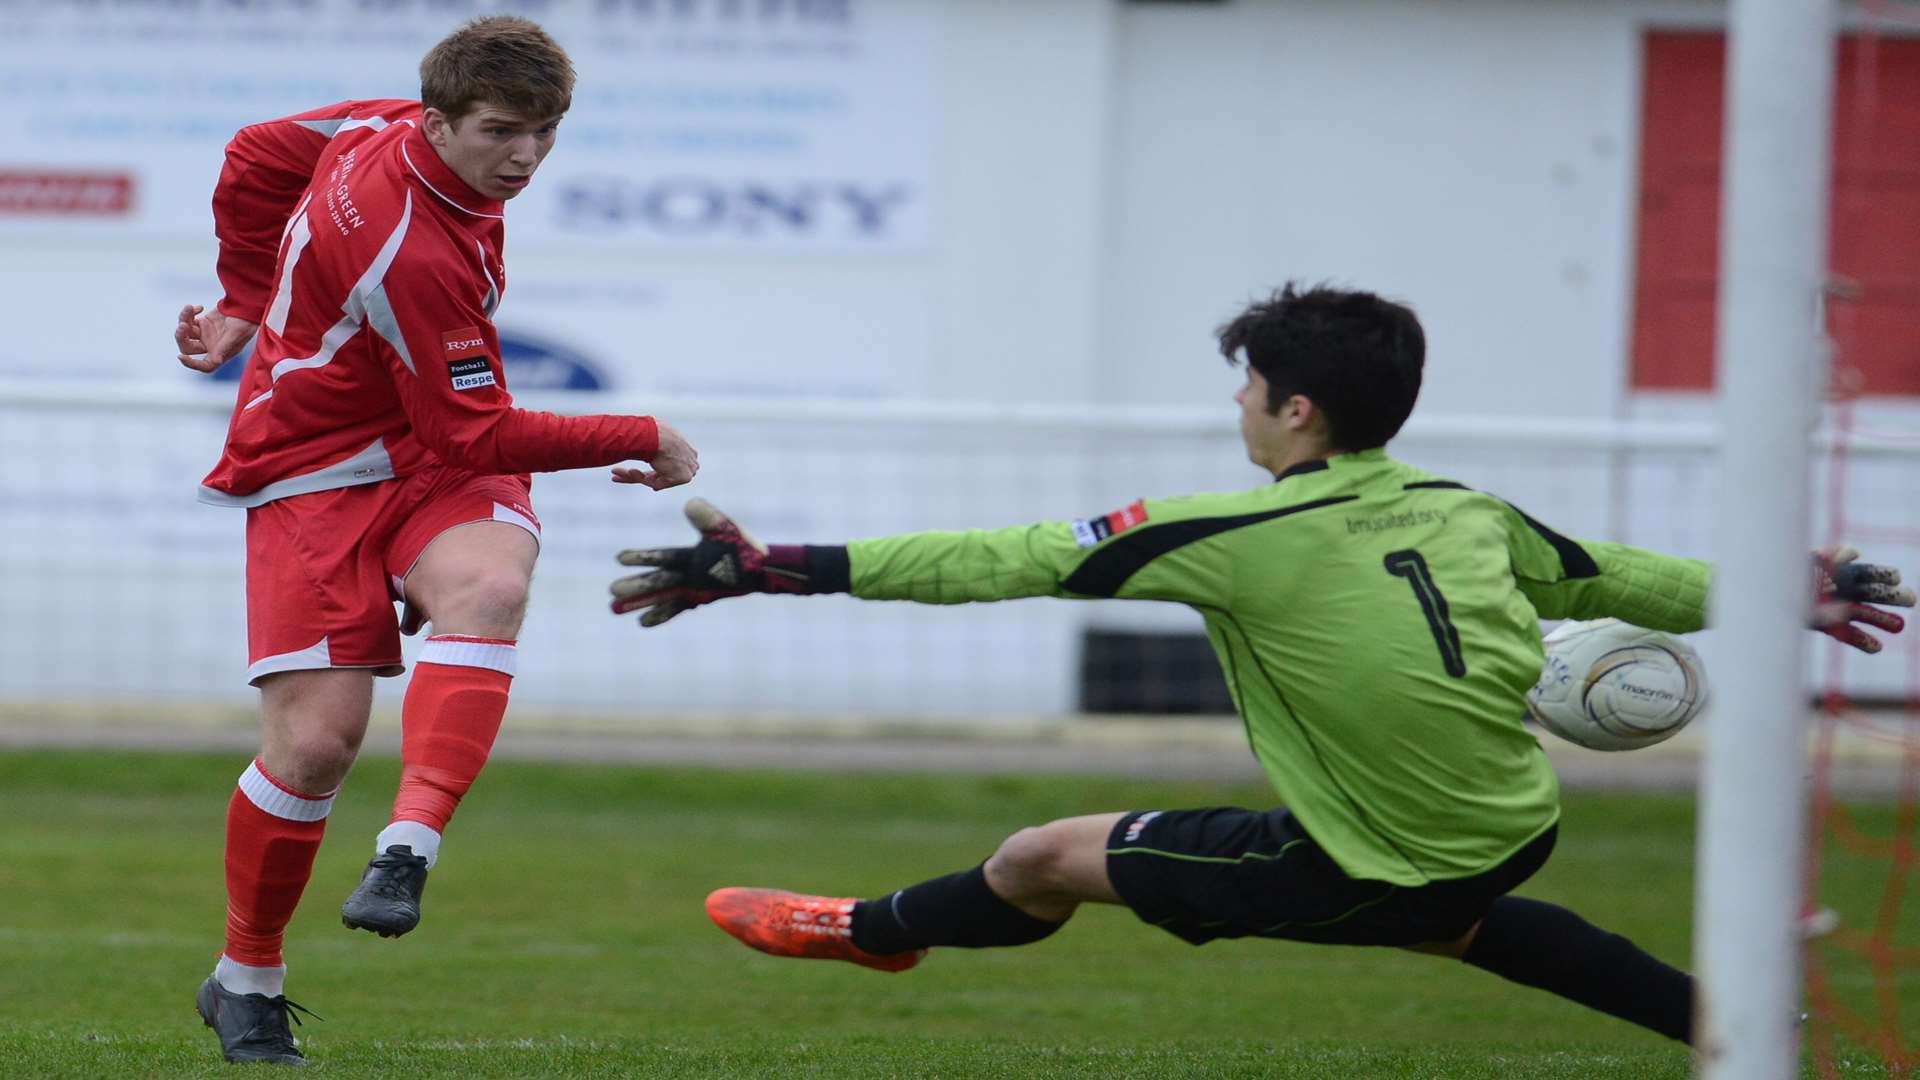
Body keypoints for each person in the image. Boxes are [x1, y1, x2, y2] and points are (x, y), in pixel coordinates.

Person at [607, 283, 1912, 1043]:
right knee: (1467, 925)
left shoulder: (1230, 532)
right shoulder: (1464, 507)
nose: (1235, 403)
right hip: (1508, 821)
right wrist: (1780, 591)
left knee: (1039, 858)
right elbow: (1617, 576)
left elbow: (1000, 557)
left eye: (1250, 385)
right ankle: (1733, 1029)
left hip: (1373, 850)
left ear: (1297, 409)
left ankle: (867, 932)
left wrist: (787, 565)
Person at [173, 16, 698, 1066]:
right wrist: (644, 435)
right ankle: (245, 976)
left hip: (425, 458)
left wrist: (239, 297)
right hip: (314, 466)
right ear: (440, 120)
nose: (526, 157)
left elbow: (252, 152)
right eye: (504, 132)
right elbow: (479, 428)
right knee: (316, 747)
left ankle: (406, 848)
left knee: (490, 589)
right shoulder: (407, 248)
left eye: (546, 134)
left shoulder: (372, 123)